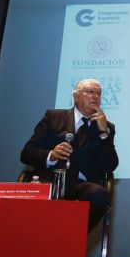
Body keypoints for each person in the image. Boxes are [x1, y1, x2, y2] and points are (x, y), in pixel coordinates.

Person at [21, 78, 118, 231]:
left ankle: (72, 236)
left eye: (99, 93)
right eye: (90, 92)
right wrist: (51, 155)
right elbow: (27, 153)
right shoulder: (53, 117)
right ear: (76, 96)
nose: (95, 97)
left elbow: (110, 166)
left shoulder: (106, 127)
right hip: (49, 180)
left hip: (81, 186)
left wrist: (104, 133)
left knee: (99, 194)